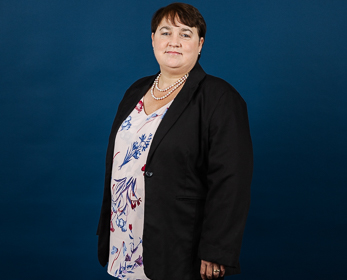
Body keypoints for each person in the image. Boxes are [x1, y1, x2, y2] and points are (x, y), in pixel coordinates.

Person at [97, 3, 253, 280]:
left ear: (200, 43)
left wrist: (217, 249)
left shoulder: (220, 98)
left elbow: (232, 181)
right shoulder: (136, 89)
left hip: (179, 242)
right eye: (165, 32)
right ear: (153, 39)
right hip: (124, 236)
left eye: (185, 34)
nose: (174, 42)